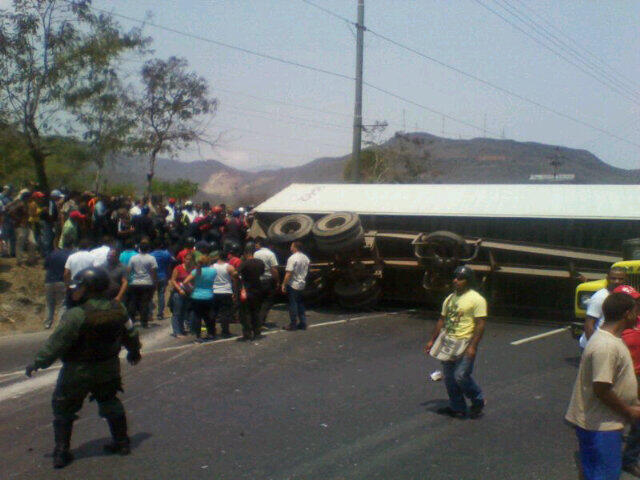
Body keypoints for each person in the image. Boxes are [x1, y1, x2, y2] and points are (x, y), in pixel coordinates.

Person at [25, 267, 142, 469]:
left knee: (63, 408)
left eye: (79, 286)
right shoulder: (118, 309)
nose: (74, 290)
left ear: (88, 288)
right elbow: (130, 333)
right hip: (108, 368)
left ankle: (61, 451)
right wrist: (134, 351)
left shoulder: (76, 315)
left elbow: (57, 344)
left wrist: (38, 362)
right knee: (109, 401)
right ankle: (122, 442)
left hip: (77, 371)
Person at [565, 292, 640, 480]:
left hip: (604, 423)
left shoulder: (610, 339)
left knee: (593, 472)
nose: (638, 316)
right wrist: (629, 411)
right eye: (636, 311)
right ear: (627, 314)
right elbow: (601, 389)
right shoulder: (606, 346)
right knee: (604, 474)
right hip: (600, 426)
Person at [424, 266, 487, 419]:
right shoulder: (450, 298)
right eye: (455, 277)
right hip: (448, 342)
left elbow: (480, 324)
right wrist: (432, 340)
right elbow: (442, 319)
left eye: (460, 278)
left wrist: (472, 347)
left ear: (468, 281)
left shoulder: (477, 299)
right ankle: (457, 407)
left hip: (465, 343)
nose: (455, 280)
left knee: (460, 376)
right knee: (450, 378)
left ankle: (478, 399)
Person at [615, 285, 640, 477]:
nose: (636, 305)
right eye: (631, 302)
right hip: (622, 379)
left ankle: (629, 459)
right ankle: (611, 459)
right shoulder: (612, 329)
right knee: (616, 420)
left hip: (638, 377)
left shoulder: (637, 321)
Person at [580, 266, 627, 349]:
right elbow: (589, 325)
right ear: (607, 278)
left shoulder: (623, 296)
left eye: (620, 279)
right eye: (613, 278)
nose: (617, 281)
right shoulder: (600, 297)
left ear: (625, 280)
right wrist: (595, 346)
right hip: (596, 345)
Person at [183, 255, 217, 342]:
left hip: (197, 295)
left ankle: (198, 335)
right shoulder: (213, 271)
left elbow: (185, 282)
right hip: (209, 295)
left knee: (198, 317)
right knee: (209, 316)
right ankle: (211, 333)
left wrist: (191, 288)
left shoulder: (196, 271)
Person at [126, 238, 158, 328]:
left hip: (134, 283)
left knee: (133, 303)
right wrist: (155, 283)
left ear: (139, 249)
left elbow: (128, 271)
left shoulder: (133, 258)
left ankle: (131, 321)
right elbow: (154, 272)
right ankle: (144, 322)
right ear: (148, 249)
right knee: (144, 303)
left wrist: (128, 281)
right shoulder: (151, 258)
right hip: (147, 283)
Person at [43, 239, 73, 329]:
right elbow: (68, 271)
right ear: (71, 246)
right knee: (62, 303)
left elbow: (45, 266)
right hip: (61, 281)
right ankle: (59, 324)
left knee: (49, 303)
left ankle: (47, 323)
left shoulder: (52, 254)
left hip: (48, 281)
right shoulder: (69, 255)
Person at [281, 241, 310, 331]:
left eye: (291, 246)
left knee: (293, 304)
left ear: (295, 248)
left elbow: (288, 273)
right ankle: (303, 323)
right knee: (300, 303)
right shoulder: (306, 258)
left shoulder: (292, 258)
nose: (290, 248)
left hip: (293, 284)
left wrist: (284, 284)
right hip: (302, 283)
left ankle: (293, 324)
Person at [239, 245, 265, 340]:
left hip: (247, 289)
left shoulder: (244, 264)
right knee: (256, 312)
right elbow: (262, 273)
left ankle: (247, 333)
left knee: (246, 313)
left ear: (246, 254)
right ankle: (257, 332)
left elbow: (236, 273)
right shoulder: (260, 262)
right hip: (258, 289)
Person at [212, 250, 239, 338]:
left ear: (219, 257)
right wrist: (235, 291)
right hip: (226, 292)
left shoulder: (212, 266)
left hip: (215, 291)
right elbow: (235, 279)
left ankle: (212, 330)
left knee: (214, 312)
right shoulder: (229, 267)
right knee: (225, 313)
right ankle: (225, 331)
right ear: (227, 257)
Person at [254, 237, 280, 327]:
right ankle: (261, 321)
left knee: (259, 301)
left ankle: (258, 320)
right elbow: (274, 269)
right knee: (267, 301)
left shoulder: (255, 254)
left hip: (257, 280)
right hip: (268, 280)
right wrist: (277, 281)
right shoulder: (271, 254)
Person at [169, 251, 195, 336]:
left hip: (188, 293)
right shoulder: (178, 268)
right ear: (183, 259)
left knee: (184, 312)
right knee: (177, 312)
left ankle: (182, 329)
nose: (188, 261)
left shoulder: (192, 269)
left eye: (190, 259)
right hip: (178, 293)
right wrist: (179, 289)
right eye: (187, 259)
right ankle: (177, 331)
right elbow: (173, 280)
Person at [150, 238, 174, 320]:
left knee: (150, 295)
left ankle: (150, 313)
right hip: (163, 276)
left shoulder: (151, 254)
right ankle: (160, 313)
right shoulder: (166, 254)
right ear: (161, 245)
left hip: (152, 277)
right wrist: (169, 276)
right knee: (161, 295)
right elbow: (169, 265)